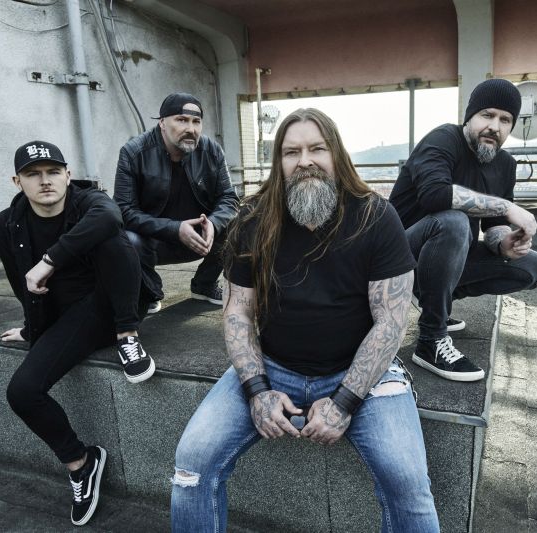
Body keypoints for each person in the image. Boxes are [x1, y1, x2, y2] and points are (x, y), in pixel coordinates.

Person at [170, 109, 440, 532]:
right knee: (191, 464)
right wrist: (257, 391)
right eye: (291, 152)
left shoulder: (376, 216)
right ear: (278, 162)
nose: (305, 160)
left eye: (317, 148)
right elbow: (237, 311)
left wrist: (345, 402)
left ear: (337, 154)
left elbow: (391, 321)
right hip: (273, 366)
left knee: (408, 482)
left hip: (362, 373)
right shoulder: (252, 219)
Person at [0, 141, 155, 526]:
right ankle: (82, 464)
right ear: (17, 182)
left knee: (115, 235)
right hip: (70, 319)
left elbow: (110, 218)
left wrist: (48, 260)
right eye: (33, 174)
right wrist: (31, 329)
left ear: (68, 175)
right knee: (22, 392)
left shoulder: (90, 202)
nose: (45, 181)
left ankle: (128, 338)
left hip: (114, 303)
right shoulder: (8, 223)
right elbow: (20, 281)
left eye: (53, 172)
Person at [390, 78, 537, 382]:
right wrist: (506, 206)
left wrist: (504, 242)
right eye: (487, 115)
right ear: (470, 116)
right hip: (396, 257)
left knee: (535, 267)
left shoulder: (505, 164)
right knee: (454, 221)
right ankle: (431, 339)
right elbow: (435, 195)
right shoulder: (443, 139)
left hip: (438, 258)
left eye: (505, 120)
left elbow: (493, 226)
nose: (494, 126)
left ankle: (432, 301)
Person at [113, 92, 240, 311]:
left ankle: (204, 285)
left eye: (196, 121)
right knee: (125, 238)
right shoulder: (134, 152)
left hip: (201, 238)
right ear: (162, 123)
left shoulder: (212, 150)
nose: (191, 129)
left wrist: (213, 224)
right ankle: (149, 291)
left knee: (239, 222)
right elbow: (123, 210)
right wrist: (174, 228)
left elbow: (229, 198)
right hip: (152, 243)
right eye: (181, 120)